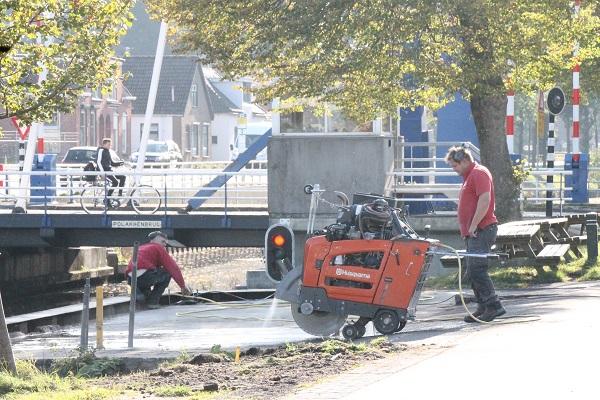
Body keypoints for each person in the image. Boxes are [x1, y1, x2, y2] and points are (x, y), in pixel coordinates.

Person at [445, 145, 505, 322]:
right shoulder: (468, 176)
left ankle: (494, 305)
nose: (453, 170)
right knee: (471, 270)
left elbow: (485, 200)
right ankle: (483, 305)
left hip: (482, 229)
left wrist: (473, 225)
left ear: (464, 161)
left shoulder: (479, 173)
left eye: (455, 166)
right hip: (473, 232)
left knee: (477, 268)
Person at [126, 231, 192, 309]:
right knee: (167, 272)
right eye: (162, 241)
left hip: (131, 279)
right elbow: (173, 268)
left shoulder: (141, 248)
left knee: (151, 274)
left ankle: (140, 295)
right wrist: (182, 286)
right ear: (153, 240)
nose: (164, 244)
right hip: (145, 276)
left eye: (165, 243)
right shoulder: (157, 247)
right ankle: (152, 302)